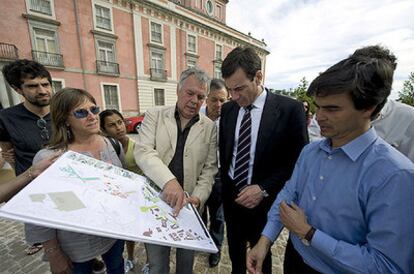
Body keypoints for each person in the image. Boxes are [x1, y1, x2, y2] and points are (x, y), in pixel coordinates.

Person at [247, 45, 414, 274]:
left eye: (332, 109)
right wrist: (264, 241)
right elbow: (288, 194)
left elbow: (386, 266)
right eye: (318, 106)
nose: (319, 116)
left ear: (368, 108)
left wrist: (309, 233)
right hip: (295, 260)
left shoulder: (396, 175)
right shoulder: (310, 152)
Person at [219, 47, 308, 274]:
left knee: (261, 263)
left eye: (239, 88)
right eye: (230, 90)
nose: (234, 96)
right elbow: (226, 153)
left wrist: (264, 189)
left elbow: (298, 163)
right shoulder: (228, 110)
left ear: (258, 77)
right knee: (236, 257)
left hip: (265, 205)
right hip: (231, 199)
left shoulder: (291, 110)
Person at [26, 88, 125, 274]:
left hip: (114, 234)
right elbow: (39, 213)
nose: (92, 116)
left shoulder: (112, 144)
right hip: (75, 244)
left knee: (117, 267)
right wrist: (54, 253)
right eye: (81, 112)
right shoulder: (49, 158)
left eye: (94, 110)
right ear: (64, 119)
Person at [134, 67, 217, 274]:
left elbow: (209, 169)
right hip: (156, 203)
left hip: (189, 209)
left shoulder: (210, 127)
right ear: (178, 90)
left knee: (185, 265)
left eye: (201, 96)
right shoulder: (154, 115)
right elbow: (144, 152)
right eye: (190, 93)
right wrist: (169, 182)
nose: (195, 100)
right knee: (157, 265)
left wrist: (198, 197)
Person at [0, 59, 52, 255]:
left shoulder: (63, 111)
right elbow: (8, 152)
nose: (42, 90)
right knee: (43, 230)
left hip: (65, 183)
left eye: (45, 84)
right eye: (32, 86)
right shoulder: (6, 117)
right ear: (17, 89)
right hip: (32, 187)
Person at [100, 109, 141, 272]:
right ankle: (129, 257)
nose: (118, 128)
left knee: (144, 230)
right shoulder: (104, 148)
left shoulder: (137, 146)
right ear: (103, 129)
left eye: (120, 122)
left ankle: (149, 261)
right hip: (118, 198)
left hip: (137, 196)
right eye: (111, 125)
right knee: (127, 232)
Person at [200, 78, 228, 267]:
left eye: (223, 100)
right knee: (200, 212)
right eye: (214, 100)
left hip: (220, 177)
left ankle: (215, 247)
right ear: (206, 99)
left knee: (218, 217)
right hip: (199, 176)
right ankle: (201, 240)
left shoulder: (232, 119)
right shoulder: (196, 118)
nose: (218, 105)